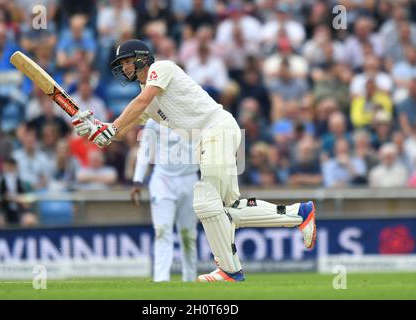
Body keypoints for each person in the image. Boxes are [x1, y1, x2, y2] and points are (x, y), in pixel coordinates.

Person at [71, 39, 316, 282]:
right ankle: (299, 214)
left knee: (205, 202)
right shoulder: (146, 100)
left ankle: (230, 270)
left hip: (216, 130)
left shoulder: (161, 69)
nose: (123, 68)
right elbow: (125, 124)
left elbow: (139, 104)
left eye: (126, 61)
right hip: (210, 138)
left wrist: (111, 128)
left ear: (141, 57)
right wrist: (96, 129)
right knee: (230, 208)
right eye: (120, 64)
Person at [131, 118, 198, 282]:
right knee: (162, 231)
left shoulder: (195, 113)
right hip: (163, 180)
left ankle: (190, 278)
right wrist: (138, 180)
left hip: (190, 180)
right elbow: (145, 149)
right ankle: (161, 279)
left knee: (188, 234)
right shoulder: (154, 120)